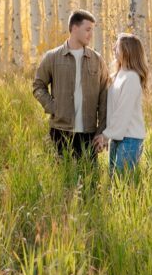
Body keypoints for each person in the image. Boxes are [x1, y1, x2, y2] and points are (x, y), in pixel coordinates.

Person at [32, 9, 109, 165]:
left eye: (92, 30)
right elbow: (38, 86)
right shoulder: (52, 57)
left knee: (89, 183)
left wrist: (101, 131)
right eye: (87, 29)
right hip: (60, 132)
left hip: (88, 134)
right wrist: (53, 107)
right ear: (74, 28)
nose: (90, 34)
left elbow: (104, 96)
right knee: (61, 183)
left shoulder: (97, 59)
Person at [94, 32, 147, 177]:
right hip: (117, 136)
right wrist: (108, 135)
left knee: (121, 184)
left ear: (127, 50)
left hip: (130, 139)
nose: (113, 48)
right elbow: (111, 109)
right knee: (114, 181)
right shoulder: (117, 75)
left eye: (117, 45)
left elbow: (123, 113)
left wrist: (105, 136)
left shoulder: (131, 78)